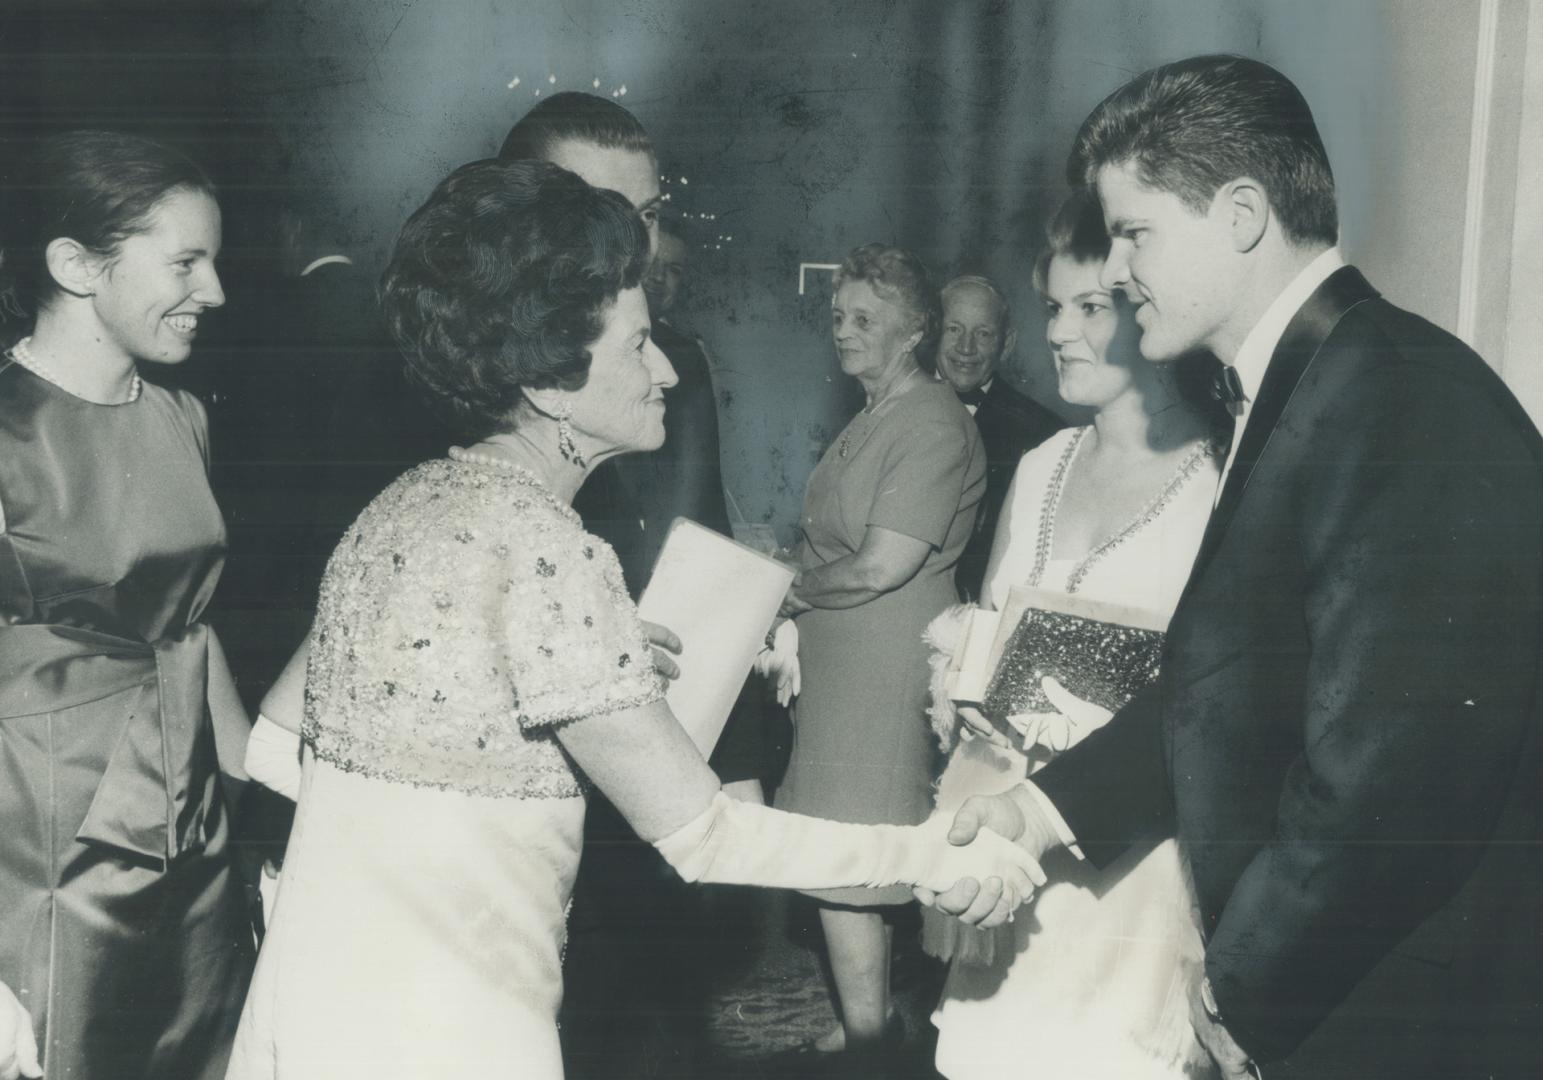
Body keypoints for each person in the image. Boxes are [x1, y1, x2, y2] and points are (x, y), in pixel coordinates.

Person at [222, 158, 1040, 1080]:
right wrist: (926, 853)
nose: (662, 368)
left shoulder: (400, 507)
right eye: (637, 344)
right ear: (551, 384)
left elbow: (271, 749)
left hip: (310, 1003)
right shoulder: (551, 551)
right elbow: (706, 836)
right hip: (455, 1021)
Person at [924, 54, 1543, 1079]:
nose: (1114, 271)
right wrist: (1034, 813)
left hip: (1392, 1007)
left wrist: (1248, 984)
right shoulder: (1311, 384)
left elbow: (1387, 773)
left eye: (1133, 232)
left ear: (1243, 212)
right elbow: (1222, 691)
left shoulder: (1398, 398)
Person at [498, 92, 768, 1078]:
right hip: (520, 811)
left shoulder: (676, 366)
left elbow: (708, 550)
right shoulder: (447, 395)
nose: (638, 243)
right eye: (607, 211)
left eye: (648, 215)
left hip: (660, 797)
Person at [928, 191, 1226, 1080]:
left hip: (1139, 878)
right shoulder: (1035, 467)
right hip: (1011, 857)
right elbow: (989, 641)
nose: (1059, 332)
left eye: (1091, 308)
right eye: (1055, 308)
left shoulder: (1223, 481)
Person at [0, 130, 256, 1080]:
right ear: (74, 264)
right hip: (39, 869)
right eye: (185, 261)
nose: (215, 292)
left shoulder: (183, 415)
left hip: (195, 854)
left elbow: (186, 625)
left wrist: (267, 790)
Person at [772, 243, 986, 1066]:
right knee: (841, 853)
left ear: (913, 332)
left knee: (850, 856)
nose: (844, 331)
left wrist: (784, 592)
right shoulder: (872, 415)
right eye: (837, 317)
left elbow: (880, 565)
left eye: (866, 319)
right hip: (845, 662)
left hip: (886, 661)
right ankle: (865, 1027)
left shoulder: (930, 419)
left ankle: (870, 1044)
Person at [936, 274, 1064, 602]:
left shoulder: (1043, 434)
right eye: (953, 329)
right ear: (930, 332)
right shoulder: (888, 407)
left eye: (983, 333)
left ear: (1005, 345)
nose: (966, 347)